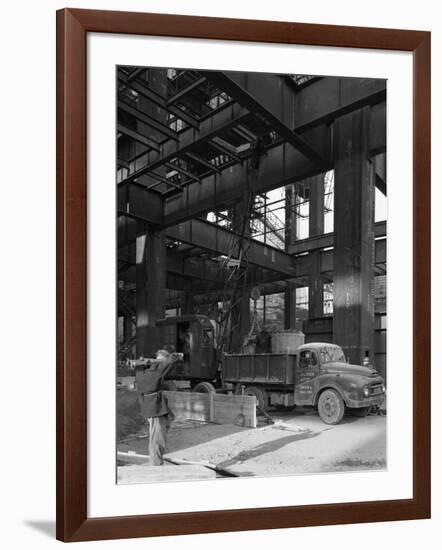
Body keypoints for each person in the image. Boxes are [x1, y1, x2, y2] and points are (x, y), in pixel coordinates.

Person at [135, 349, 180, 466]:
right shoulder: (157, 372)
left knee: (164, 426)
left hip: (150, 406)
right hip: (155, 408)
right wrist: (172, 358)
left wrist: (140, 364)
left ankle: (156, 460)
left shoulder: (141, 373)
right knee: (157, 439)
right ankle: (156, 464)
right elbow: (167, 364)